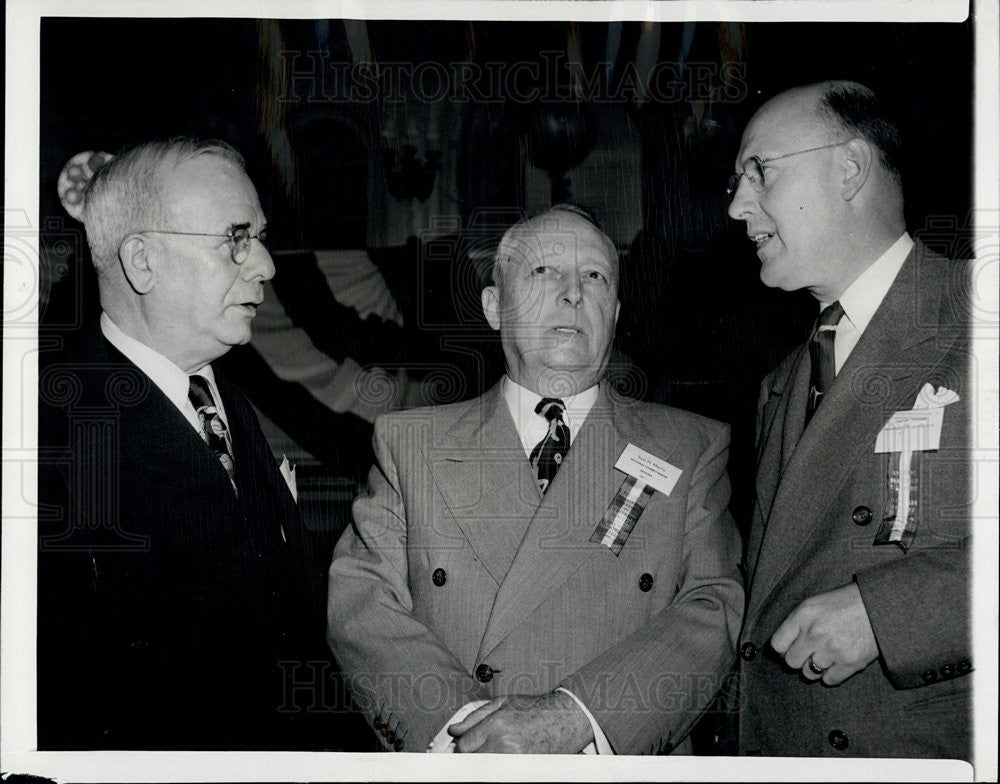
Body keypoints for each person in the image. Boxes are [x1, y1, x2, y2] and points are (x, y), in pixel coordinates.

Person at [327, 204, 744, 754]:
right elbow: (362, 603)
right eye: (545, 272)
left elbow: (712, 608)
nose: (574, 292)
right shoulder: (410, 443)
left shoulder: (690, 446)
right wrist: (471, 732)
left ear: (616, 312)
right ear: (495, 307)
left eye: (595, 276)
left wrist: (576, 719)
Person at [36, 138, 337, 749]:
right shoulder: (51, 441)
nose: (267, 265)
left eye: (258, 236)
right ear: (142, 263)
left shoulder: (228, 405)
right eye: (235, 238)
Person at [727, 81, 972, 758]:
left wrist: (891, 613)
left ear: (850, 167)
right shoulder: (781, 382)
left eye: (760, 173)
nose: (739, 205)